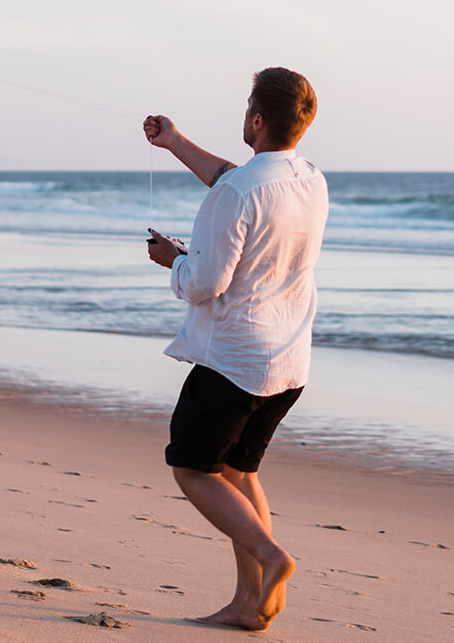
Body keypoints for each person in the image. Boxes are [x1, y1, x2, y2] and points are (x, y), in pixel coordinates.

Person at [144, 67, 325, 632]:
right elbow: (234, 177)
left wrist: (173, 260)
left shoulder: (237, 191)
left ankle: (274, 559)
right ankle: (251, 605)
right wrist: (173, 141)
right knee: (241, 475)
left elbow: (207, 283)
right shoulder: (311, 178)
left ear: (255, 119)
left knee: (192, 469)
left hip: (235, 360)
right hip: (289, 360)